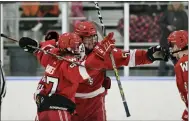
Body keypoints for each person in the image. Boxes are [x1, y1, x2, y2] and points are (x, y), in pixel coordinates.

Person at [71, 21, 169, 121]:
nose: (91, 42)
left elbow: (126, 57)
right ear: (79, 39)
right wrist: (100, 53)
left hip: (95, 104)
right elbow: (81, 71)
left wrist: (148, 55)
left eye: (93, 37)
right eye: (88, 39)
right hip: (72, 103)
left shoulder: (102, 50)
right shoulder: (69, 51)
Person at [18, 32, 117, 121]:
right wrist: (101, 54)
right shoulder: (69, 62)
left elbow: (43, 49)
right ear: (68, 48)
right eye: (76, 46)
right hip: (59, 111)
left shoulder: (50, 55)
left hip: (42, 109)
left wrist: (34, 46)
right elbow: (84, 72)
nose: (79, 49)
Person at [158, 2, 188, 76]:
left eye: (177, 2)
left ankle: (175, 74)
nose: (176, 4)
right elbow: (160, 23)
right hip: (166, 38)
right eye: (174, 2)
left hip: (178, 40)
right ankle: (161, 74)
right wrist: (167, 26)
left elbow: (186, 27)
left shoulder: (183, 13)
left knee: (176, 57)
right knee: (163, 57)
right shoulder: (167, 12)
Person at [167, 30, 188, 121]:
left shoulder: (180, 64)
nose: (171, 49)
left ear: (178, 45)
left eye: (172, 45)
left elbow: (183, 90)